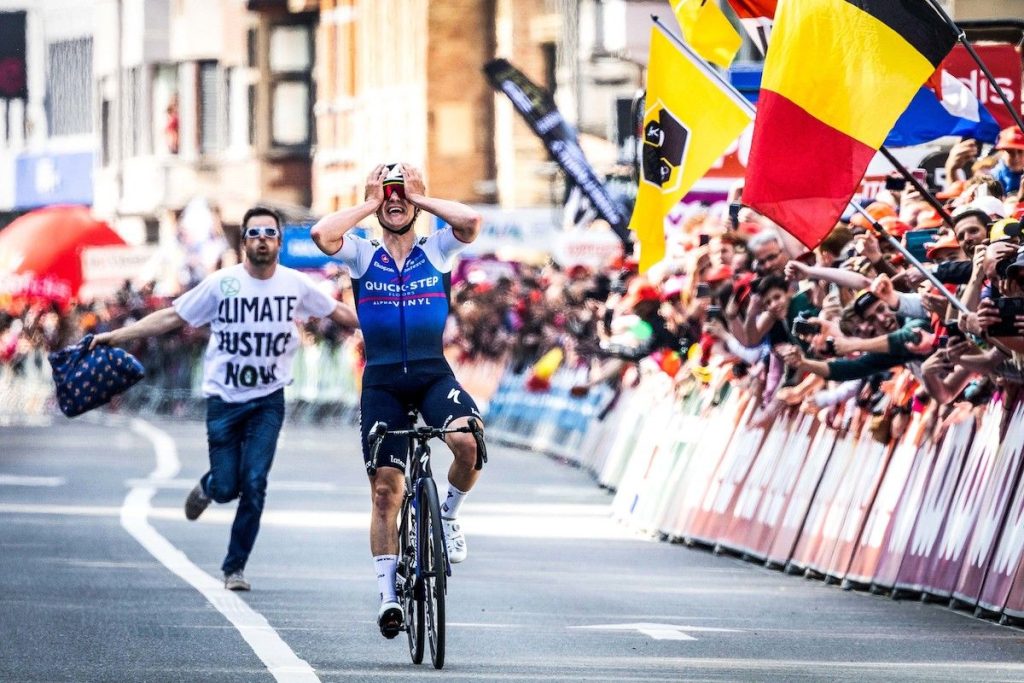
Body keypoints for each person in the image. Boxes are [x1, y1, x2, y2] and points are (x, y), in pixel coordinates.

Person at [91, 206, 358, 591]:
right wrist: (117, 337)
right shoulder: (222, 284)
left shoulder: (294, 284)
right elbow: (172, 318)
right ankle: (210, 487)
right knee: (228, 485)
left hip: (268, 399)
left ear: (280, 242)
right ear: (244, 241)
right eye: (254, 233)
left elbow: (338, 313)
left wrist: (387, 323)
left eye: (269, 232)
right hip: (224, 399)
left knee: (254, 482)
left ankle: (235, 567)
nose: (262, 239)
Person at [310, 163, 484, 639]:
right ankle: (388, 596)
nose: (395, 199)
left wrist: (416, 197)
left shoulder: (438, 248)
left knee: (468, 443)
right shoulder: (362, 255)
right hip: (383, 381)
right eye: (387, 194)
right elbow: (322, 233)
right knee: (387, 489)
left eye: (403, 192)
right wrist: (371, 202)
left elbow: (470, 223)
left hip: (432, 372)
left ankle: (446, 516)